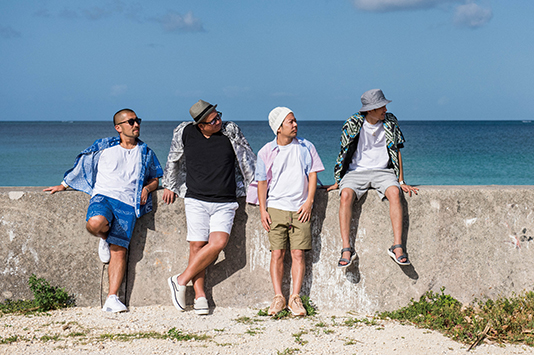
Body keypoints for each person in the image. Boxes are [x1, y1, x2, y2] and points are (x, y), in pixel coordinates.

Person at [44, 109, 162, 313]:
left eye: (138, 121)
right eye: (131, 122)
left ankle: (112, 298)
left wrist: (147, 188)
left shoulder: (146, 152)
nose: (136, 125)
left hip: (128, 204)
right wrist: (64, 185)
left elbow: (156, 177)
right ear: (118, 127)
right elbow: (82, 163)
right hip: (103, 197)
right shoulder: (104, 146)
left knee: (119, 250)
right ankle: (103, 236)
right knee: (95, 223)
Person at [162, 100, 256, 315]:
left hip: (225, 200)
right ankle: (199, 295)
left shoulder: (230, 130)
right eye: (212, 120)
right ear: (200, 126)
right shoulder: (184, 132)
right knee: (197, 245)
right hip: (195, 198)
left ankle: (180, 280)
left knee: (218, 243)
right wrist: (169, 184)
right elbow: (173, 158)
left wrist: (257, 189)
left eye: (218, 115)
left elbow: (247, 158)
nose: (218, 121)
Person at [327, 89, 419, 268]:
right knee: (345, 195)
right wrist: (338, 180)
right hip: (355, 171)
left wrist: (401, 181)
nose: (385, 109)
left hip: (383, 171)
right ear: (370, 110)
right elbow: (343, 152)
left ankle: (397, 247)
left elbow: (397, 150)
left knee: (394, 192)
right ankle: (347, 248)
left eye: (384, 106)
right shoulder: (352, 123)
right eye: (380, 107)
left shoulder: (391, 121)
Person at [254, 108, 324, 316]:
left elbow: (312, 175)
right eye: (290, 122)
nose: (295, 125)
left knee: (298, 254)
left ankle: (295, 298)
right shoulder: (266, 151)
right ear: (278, 128)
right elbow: (261, 182)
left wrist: (309, 201)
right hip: (276, 207)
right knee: (277, 253)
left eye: (295, 121)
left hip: (299, 208)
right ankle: (278, 297)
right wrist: (262, 210)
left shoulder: (306, 146)